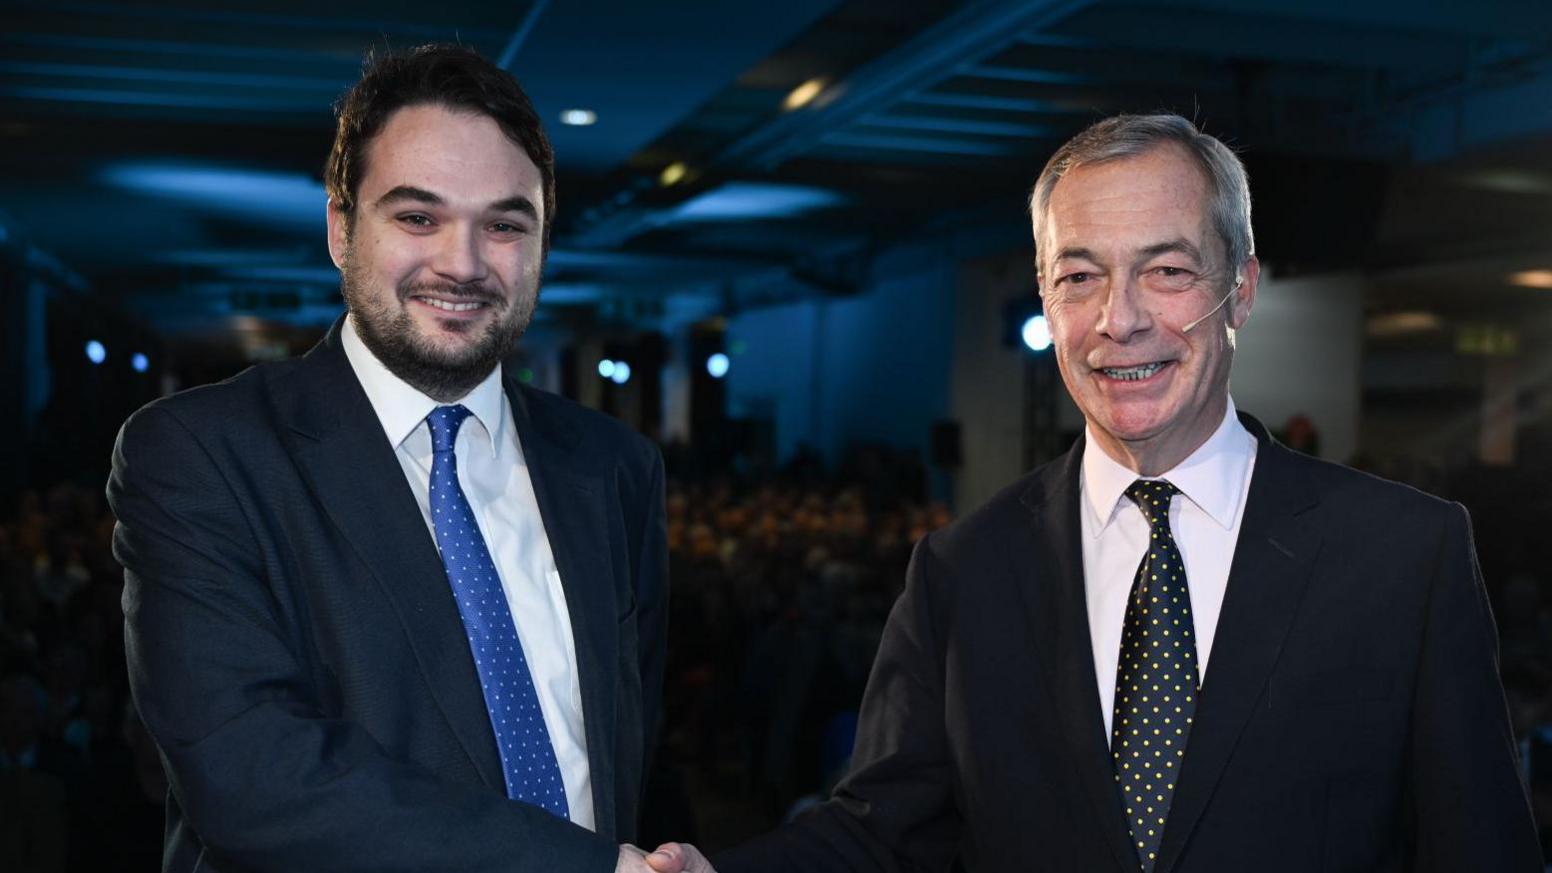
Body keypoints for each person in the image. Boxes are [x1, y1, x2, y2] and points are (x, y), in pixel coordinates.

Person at [650, 114, 1542, 872]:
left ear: (1241, 288)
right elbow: (879, 834)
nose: (1120, 319)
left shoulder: (1403, 555)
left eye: (1167, 270)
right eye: (1080, 277)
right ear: (1046, 295)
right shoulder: (963, 571)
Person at [107, 44, 670, 872]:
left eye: (506, 224)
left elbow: (623, 755)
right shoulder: (202, 455)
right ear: (341, 229)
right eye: (417, 217)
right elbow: (253, 773)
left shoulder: (614, 467)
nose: (464, 263)